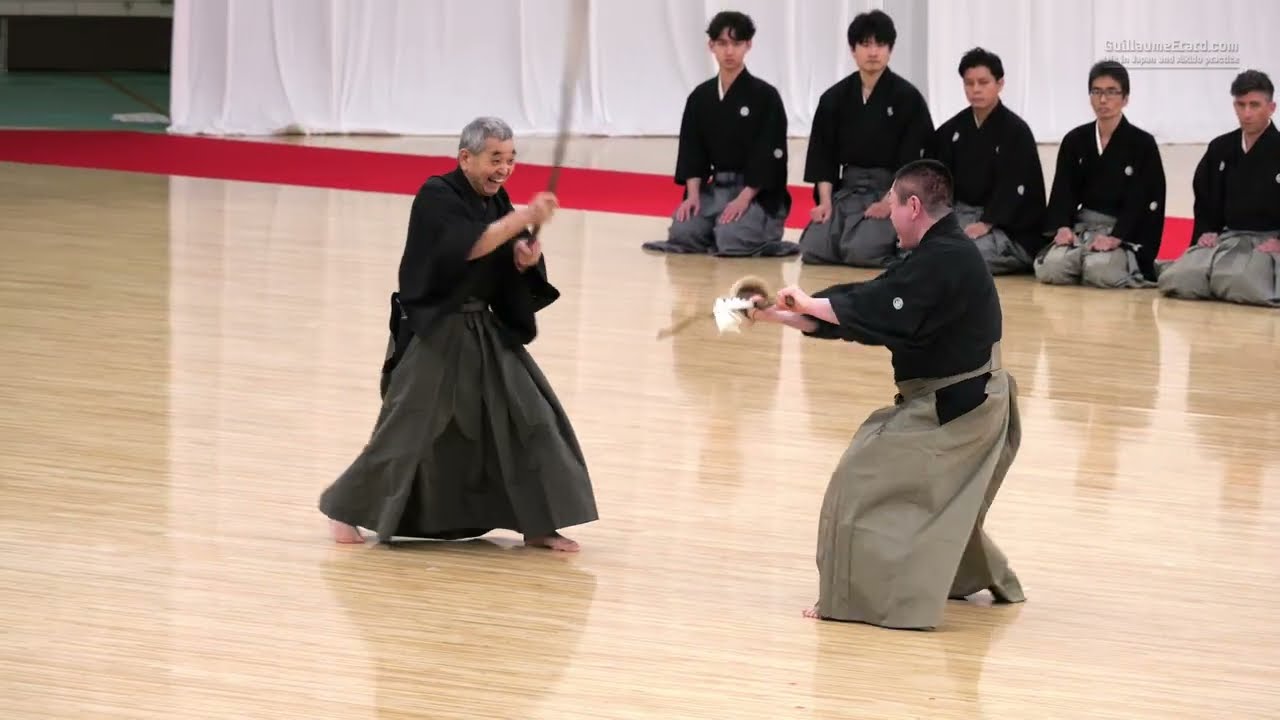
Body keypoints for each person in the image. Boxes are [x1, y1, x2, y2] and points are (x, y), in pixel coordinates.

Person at [747, 159, 1025, 630]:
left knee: (859, 479)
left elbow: (882, 308)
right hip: (955, 401)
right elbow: (878, 303)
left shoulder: (948, 258)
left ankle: (858, 599)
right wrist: (786, 316)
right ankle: (969, 574)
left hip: (961, 410)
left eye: (893, 205)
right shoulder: (935, 254)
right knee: (941, 500)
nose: (889, 215)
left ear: (912, 206)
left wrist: (810, 303)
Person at [318, 116, 599, 552]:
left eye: (510, 159)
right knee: (408, 428)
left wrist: (522, 259)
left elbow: (499, 254)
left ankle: (539, 522)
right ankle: (346, 508)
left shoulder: (497, 203)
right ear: (465, 158)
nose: (503, 169)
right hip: (435, 330)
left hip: (482, 328)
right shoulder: (436, 195)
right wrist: (522, 218)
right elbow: (466, 246)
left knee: (533, 419)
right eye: (494, 159)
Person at [641, 10, 798, 257]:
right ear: (711, 46)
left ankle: (765, 235)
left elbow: (769, 154)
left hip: (756, 194)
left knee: (731, 238)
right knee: (684, 232)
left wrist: (745, 198)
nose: (729, 52)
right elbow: (692, 151)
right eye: (722, 44)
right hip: (716, 190)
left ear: (748, 45)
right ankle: (712, 224)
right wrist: (692, 196)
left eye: (736, 44)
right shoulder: (701, 97)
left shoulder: (765, 96)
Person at [798, 10, 934, 268]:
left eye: (880, 45)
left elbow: (914, 160)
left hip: (891, 190)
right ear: (853, 49)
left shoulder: (907, 98)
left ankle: (904, 241)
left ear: (890, 49)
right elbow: (823, 155)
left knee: (862, 252)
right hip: (848, 190)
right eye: (865, 44)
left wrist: (889, 202)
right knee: (813, 248)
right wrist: (825, 201)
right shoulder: (834, 98)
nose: (873, 52)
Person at [1035, 61, 1166, 288]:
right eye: (1096, 92)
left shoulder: (1142, 144)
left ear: (1125, 98)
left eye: (1111, 92)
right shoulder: (1075, 140)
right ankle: (1084, 261)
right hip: (1082, 227)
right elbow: (1063, 191)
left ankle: (1119, 263)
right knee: (1051, 269)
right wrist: (1063, 227)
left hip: (1121, 231)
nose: (1103, 100)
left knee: (1101, 273)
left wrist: (1118, 236)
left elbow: (1143, 198)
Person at [1157, 69, 1280, 307]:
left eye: (1254, 105)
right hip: (1228, 236)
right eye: (1240, 104)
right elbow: (1204, 196)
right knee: (1177, 280)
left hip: (1268, 239)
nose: (1246, 113)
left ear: (1271, 107)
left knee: (1240, 284)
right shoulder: (1220, 147)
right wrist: (1207, 230)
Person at [931, 47, 1047, 275]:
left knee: (962, 253)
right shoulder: (953, 129)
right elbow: (938, 178)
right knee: (921, 245)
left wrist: (986, 222)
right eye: (969, 83)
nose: (975, 90)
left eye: (983, 82)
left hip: (1006, 229)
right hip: (962, 217)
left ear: (1000, 84)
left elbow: (1016, 188)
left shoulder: (1016, 132)